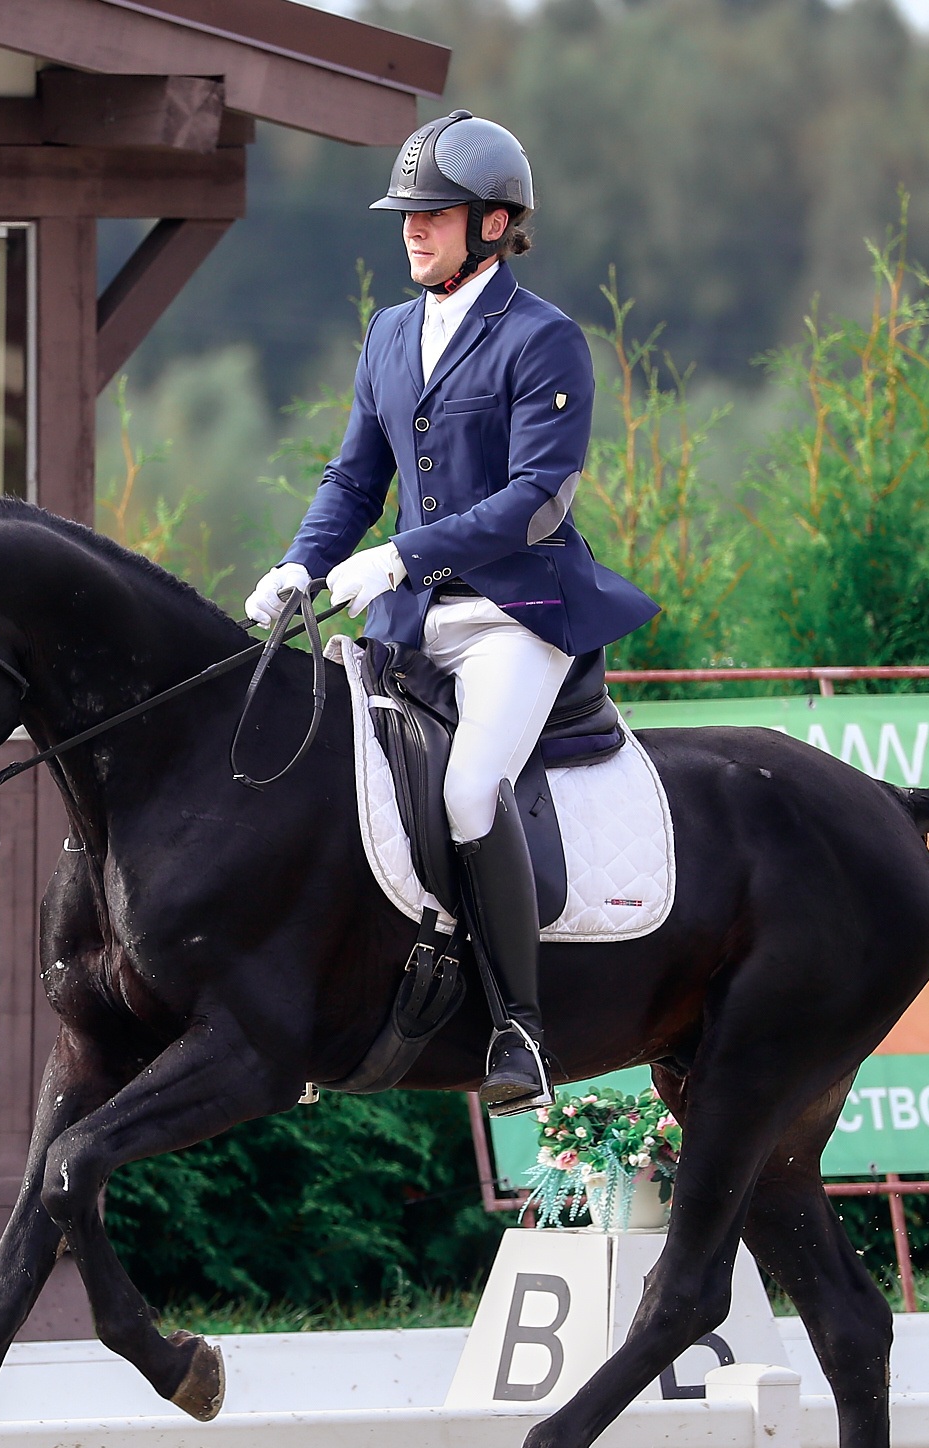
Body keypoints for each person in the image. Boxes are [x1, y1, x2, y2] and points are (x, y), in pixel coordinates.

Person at [247, 111, 659, 1116]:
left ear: (494, 222)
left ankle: (519, 1026)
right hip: (408, 623)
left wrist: (396, 555)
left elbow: (535, 499)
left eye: (432, 213)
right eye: (405, 214)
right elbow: (353, 478)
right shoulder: (391, 334)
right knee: (338, 781)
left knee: (471, 791)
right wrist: (301, 565)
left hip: (515, 616)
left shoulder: (543, 338)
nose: (412, 229)